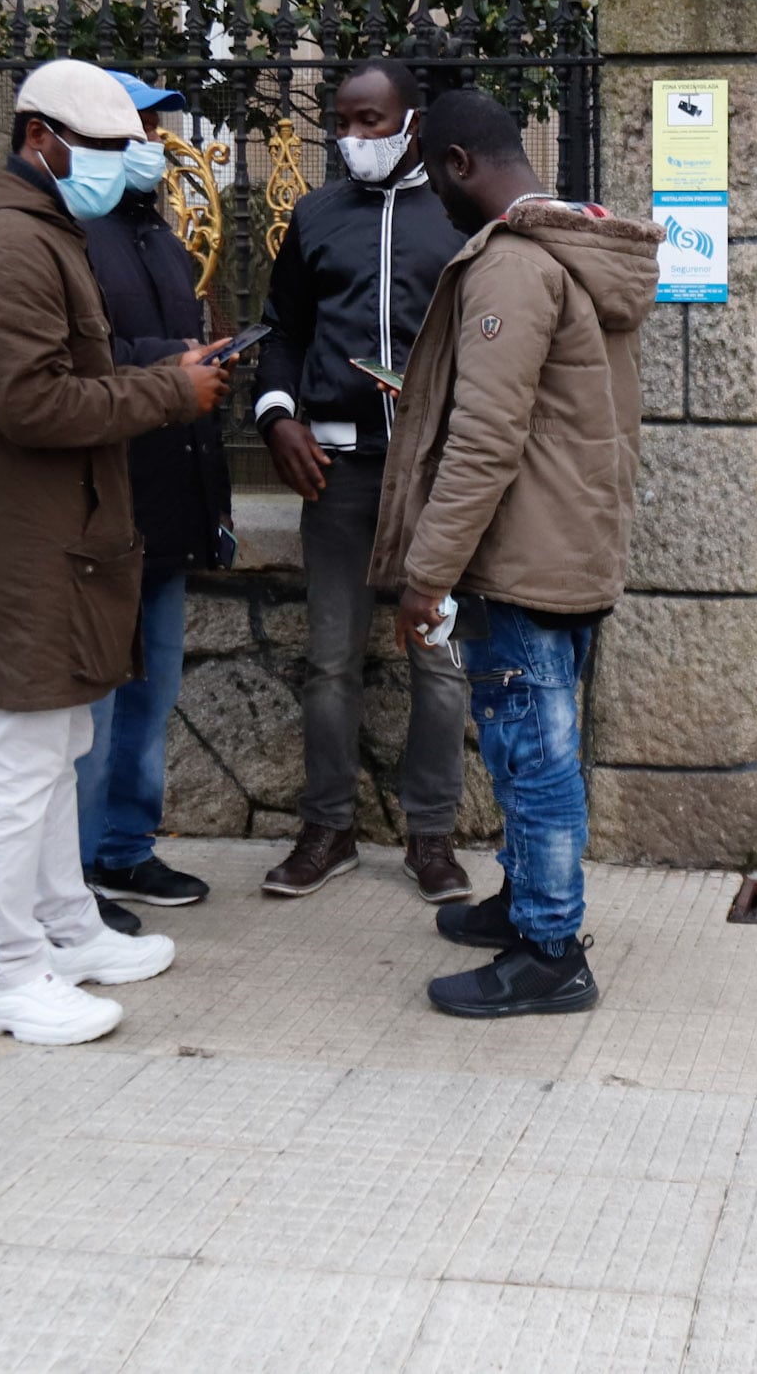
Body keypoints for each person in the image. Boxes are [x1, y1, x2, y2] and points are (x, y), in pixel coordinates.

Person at [0, 58, 234, 1046]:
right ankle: (3, 973)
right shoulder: (13, 245)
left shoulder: (37, 230)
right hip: (26, 542)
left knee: (58, 746)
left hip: (56, 533)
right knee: (21, 759)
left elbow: (63, 379)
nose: (122, 168)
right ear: (40, 139)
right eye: (106, 149)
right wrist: (167, 395)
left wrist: (159, 378)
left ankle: (64, 928)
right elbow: (31, 403)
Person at [370, 89, 660, 1017]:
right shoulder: (579, 251)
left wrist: (427, 573)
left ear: (461, 164)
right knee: (536, 749)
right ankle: (524, 903)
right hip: (570, 547)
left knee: (533, 762)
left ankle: (549, 951)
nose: (432, 200)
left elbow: (486, 439)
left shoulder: (512, 267)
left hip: (525, 562)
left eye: (432, 176)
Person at [249, 60, 475, 904]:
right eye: (343, 122)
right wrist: (277, 417)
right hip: (335, 472)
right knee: (332, 661)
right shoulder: (314, 217)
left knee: (439, 661)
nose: (355, 138)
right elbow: (281, 332)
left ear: (412, 121)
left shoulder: (457, 219)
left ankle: (432, 836)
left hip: (433, 479)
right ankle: (329, 827)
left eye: (371, 121)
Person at [70, 72, 233, 916]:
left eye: (156, 127)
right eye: (137, 128)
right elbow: (77, 362)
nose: (154, 143)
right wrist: (171, 362)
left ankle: (126, 850)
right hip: (103, 507)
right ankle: (74, 870)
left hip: (167, 506)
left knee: (150, 691)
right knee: (92, 706)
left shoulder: (160, 237)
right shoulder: (65, 237)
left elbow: (171, 342)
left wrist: (207, 359)